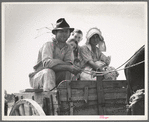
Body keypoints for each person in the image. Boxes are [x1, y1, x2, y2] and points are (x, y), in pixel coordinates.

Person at [29, 18, 81, 91]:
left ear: (69, 34)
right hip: (39, 77)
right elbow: (47, 64)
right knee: (48, 71)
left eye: (66, 31)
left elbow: (69, 64)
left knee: (68, 72)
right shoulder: (49, 44)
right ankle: (50, 97)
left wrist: (57, 62)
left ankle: (66, 96)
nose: (64, 34)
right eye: (61, 31)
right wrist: (65, 65)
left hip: (55, 76)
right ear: (55, 33)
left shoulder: (68, 48)